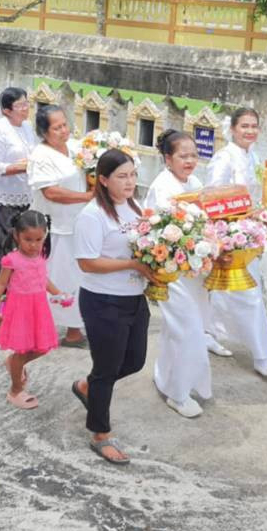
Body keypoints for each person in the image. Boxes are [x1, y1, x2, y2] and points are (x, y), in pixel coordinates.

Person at [71, 149, 156, 466]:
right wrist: (131, 264)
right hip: (103, 301)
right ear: (103, 180)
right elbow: (87, 262)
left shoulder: (135, 207)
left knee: (134, 361)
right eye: (122, 176)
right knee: (106, 369)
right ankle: (100, 434)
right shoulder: (92, 215)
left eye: (133, 175)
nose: (129, 182)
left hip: (134, 297)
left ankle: (87, 386)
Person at [205, 106, 267, 378]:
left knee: (227, 292)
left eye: (254, 126)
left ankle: (209, 333)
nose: (250, 131)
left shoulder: (254, 157)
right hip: (231, 234)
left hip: (250, 234)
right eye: (244, 126)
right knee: (249, 296)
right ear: (233, 129)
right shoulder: (224, 158)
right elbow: (213, 197)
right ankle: (262, 356)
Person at [144, 130, 213, 419]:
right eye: (183, 156)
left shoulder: (195, 183)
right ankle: (178, 394)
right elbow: (157, 230)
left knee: (185, 328)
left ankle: (168, 377)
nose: (189, 161)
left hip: (193, 270)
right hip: (171, 270)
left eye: (193, 155)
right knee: (187, 328)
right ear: (167, 159)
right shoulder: (162, 187)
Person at [27, 105, 92, 348]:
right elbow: (51, 192)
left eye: (65, 124)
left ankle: (74, 329)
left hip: (78, 223)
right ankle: (38, 328)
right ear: (44, 132)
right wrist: (86, 197)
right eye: (57, 128)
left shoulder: (75, 148)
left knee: (77, 276)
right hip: (54, 227)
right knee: (53, 277)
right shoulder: (40, 156)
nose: (64, 130)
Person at [0, 210, 63, 409]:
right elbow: (0, 284)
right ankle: (15, 390)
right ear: (16, 236)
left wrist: (58, 293)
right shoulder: (12, 260)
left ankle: (14, 363)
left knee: (43, 347)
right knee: (22, 350)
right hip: (19, 310)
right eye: (28, 239)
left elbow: (42, 279)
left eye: (39, 239)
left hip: (38, 309)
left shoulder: (41, 256)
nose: (33, 245)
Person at [0, 86, 37, 288]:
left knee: (20, 239)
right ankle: (2, 282)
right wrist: (20, 167)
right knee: (5, 240)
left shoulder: (27, 126)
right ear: (6, 110)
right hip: (2, 194)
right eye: (20, 105)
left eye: (26, 103)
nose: (25, 108)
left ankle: (0, 280)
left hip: (23, 192)